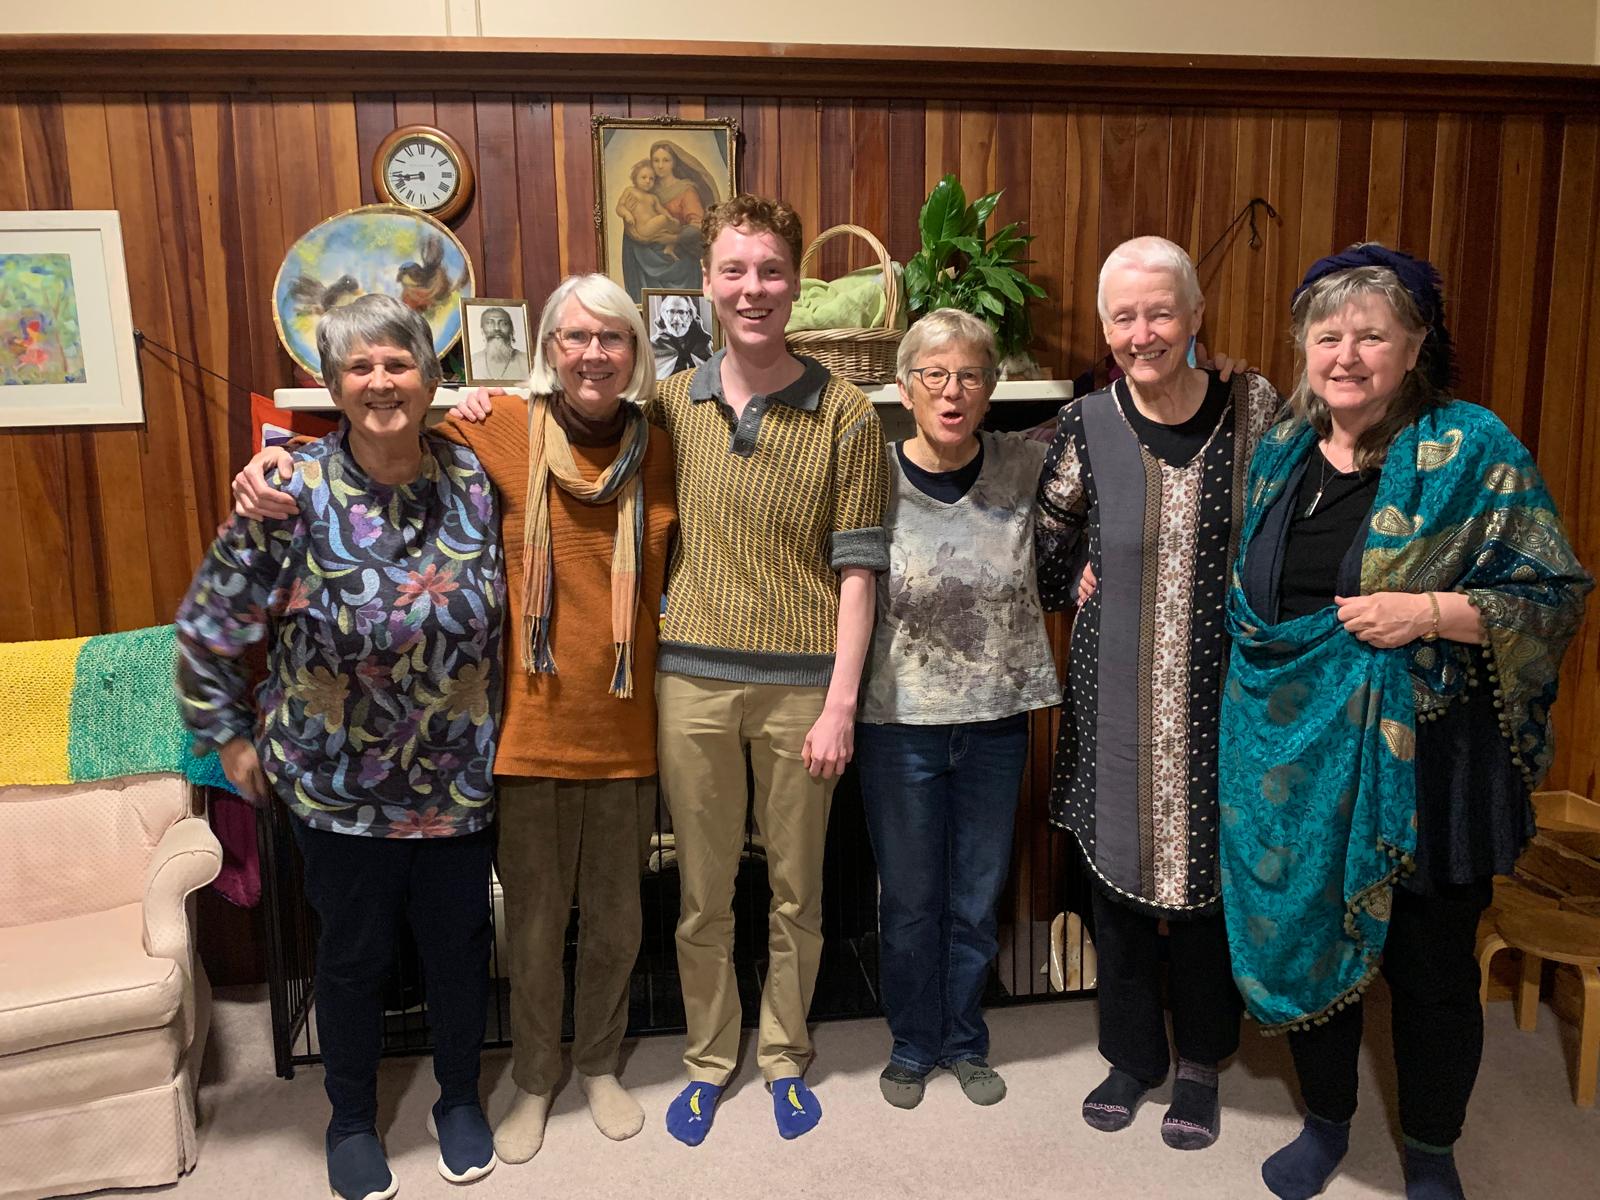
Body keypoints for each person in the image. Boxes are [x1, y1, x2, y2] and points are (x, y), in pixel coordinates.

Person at [453, 194, 888, 1144]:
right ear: (704, 286)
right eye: (733, 271)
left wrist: (841, 704)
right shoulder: (669, 408)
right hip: (685, 683)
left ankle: (783, 1054)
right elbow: (554, 426)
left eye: (770, 271)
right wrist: (478, 403)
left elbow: (859, 573)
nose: (753, 289)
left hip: (802, 688)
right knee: (698, 894)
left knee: (795, 890)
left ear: (797, 284)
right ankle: (705, 1056)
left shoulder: (847, 412)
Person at [231, 275, 679, 1166]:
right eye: (575, 336)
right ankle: (539, 1076)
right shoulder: (494, 428)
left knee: (622, 922)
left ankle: (598, 1064)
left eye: (614, 338)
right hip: (522, 733)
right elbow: (380, 430)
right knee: (537, 924)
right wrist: (273, 460)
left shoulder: (663, 447)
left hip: (627, 725)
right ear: (547, 348)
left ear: (636, 354)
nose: (594, 353)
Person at [1219, 245, 1592, 1200]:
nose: (1345, 354)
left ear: (1416, 344)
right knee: (1310, 934)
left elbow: (1550, 594)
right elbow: (1254, 608)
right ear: (1303, 345)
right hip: (1298, 761)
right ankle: (1329, 1121)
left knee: (1429, 973)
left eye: (1371, 335)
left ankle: (1430, 1148)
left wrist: (1425, 612)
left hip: (1430, 758)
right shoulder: (1282, 454)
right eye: (1327, 334)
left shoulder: (1475, 450)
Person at [178, 294, 506, 1200]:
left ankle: (457, 1099)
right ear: (333, 385)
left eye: (398, 362)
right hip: (333, 784)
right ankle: (351, 1118)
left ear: (429, 376)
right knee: (354, 957)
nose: (380, 381)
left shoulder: (478, 476)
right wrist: (228, 743)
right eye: (359, 367)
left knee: (456, 947)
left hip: (458, 775)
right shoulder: (290, 490)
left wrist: (487, 404)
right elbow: (209, 627)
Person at [1035, 235, 1279, 1151]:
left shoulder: (1255, 411)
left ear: (1196, 315)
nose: (1145, 333)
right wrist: (1076, 576)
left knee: (1210, 891)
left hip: (1226, 700)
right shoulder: (1086, 423)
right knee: (1121, 891)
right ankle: (1131, 1055)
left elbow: (1292, 525)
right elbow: (1049, 541)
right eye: (1126, 317)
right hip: (1114, 702)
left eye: (1161, 311)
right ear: (1106, 328)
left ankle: (1203, 1061)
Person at [856, 308, 1060, 1111]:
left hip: (997, 719)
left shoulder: (1024, 465)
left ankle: (964, 1037)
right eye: (934, 375)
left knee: (976, 897)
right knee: (909, 899)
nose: (952, 391)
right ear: (905, 389)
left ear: (991, 390)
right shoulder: (868, 472)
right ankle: (912, 1042)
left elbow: (1110, 438)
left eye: (970, 376)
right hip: (894, 724)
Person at [619, 140, 722, 300]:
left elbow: (698, 225)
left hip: (679, 261)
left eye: (666, 160)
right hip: (645, 259)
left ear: (674, 162)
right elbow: (632, 216)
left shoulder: (686, 190)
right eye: (656, 160)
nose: (660, 166)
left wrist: (674, 238)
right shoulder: (647, 187)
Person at [617, 161, 684, 254]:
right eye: (644, 177)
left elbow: (662, 210)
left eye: (651, 179)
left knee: (675, 226)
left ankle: (669, 248)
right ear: (635, 178)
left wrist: (670, 218)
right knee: (663, 219)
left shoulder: (652, 197)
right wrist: (627, 214)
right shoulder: (630, 191)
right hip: (643, 229)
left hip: (653, 228)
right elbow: (620, 207)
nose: (648, 181)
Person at [651, 293, 714, 378]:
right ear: (663, 315)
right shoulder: (654, 345)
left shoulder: (703, 343)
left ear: (690, 315)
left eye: (681, 312)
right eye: (671, 312)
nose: (676, 319)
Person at [474, 304, 529, 381]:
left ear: (511, 330)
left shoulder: (527, 361)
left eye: (503, 323)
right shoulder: (472, 362)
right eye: (490, 323)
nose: (497, 328)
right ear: (482, 330)